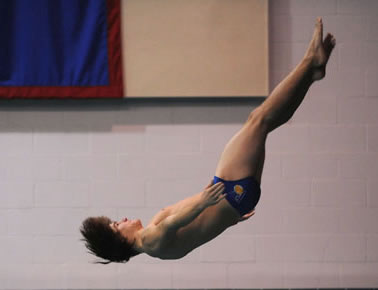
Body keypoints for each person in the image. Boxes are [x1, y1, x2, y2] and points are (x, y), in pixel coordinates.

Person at [80, 18, 336, 263]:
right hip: (228, 191)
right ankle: (309, 62)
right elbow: (174, 223)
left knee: (264, 124)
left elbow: (198, 229)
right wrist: (206, 202)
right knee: (257, 120)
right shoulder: (148, 241)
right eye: (117, 225)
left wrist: (228, 217)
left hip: (235, 200)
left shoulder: (156, 242)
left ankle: (311, 74)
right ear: (120, 241)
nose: (122, 219)